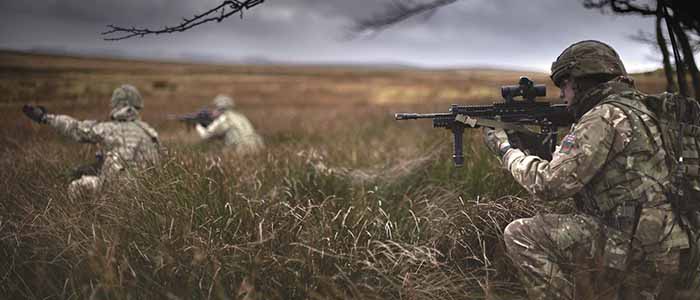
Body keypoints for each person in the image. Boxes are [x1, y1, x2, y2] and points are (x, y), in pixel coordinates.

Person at [483, 40, 698, 299]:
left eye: (565, 85)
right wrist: (536, 146)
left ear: (583, 81)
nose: (562, 95)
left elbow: (549, 185)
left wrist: (506, 151)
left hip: (640, 253)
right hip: (679, 247)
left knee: (521, 234)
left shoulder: (603, 117)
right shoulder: (643, 109)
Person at [22, 84, 161, 198]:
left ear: (117, 105)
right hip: (149, 194)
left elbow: (76, 129)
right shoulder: (150, 132)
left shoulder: (108, 129)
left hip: (118, 192)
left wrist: (46, 118)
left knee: (76, 187)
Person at [196, 94, 264, 154]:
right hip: (257, 146)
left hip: (241, 148)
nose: (212, 111)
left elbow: (207, 135)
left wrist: (198, 126)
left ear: (219, 108)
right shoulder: (240, 116)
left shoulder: (224, 118)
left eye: (214, 108)